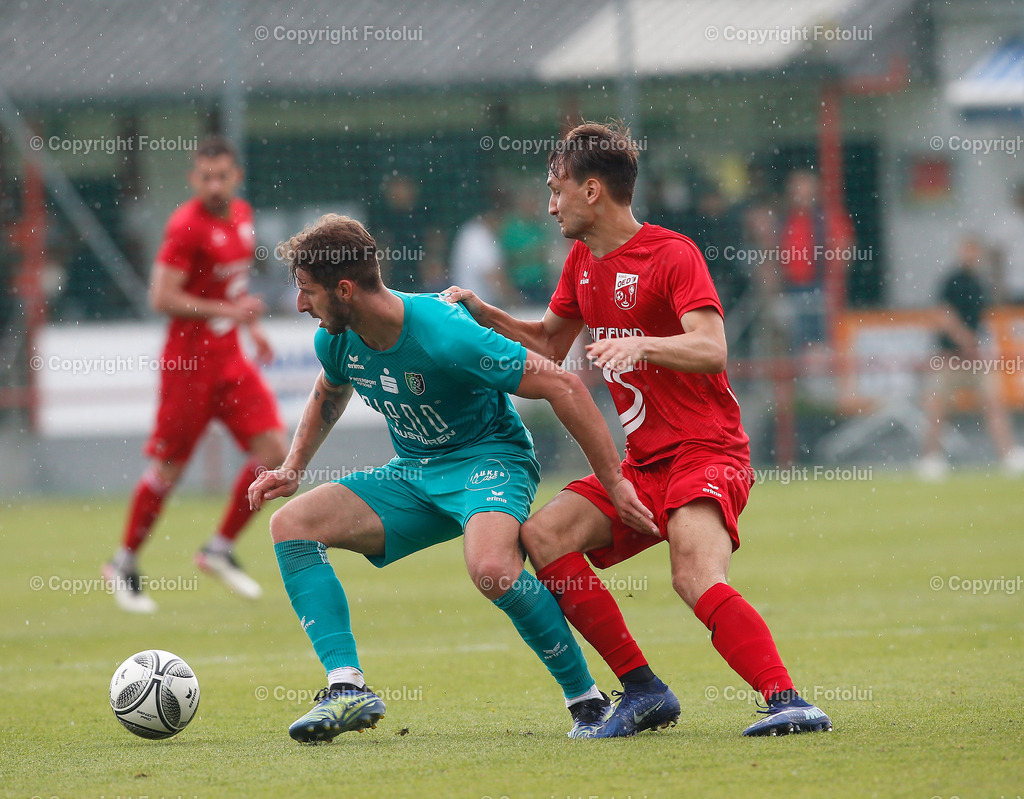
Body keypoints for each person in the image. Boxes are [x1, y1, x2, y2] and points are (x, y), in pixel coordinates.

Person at [445, 121, 832, 738]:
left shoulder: (672, 254)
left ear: (592, 190)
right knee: (544, 536)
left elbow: (712, 348)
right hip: (644, 463)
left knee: (693, 575)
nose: (551, 206)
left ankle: (788, 701)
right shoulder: (582, 261)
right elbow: (549, 342)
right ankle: (644, 690)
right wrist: (484, 314)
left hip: (706, 451)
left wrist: (642, 344)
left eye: (557, 190)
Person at [247, 213, 656, 743]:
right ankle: (346, 687)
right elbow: (331, 389)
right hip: (415, 473)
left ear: (344, 289)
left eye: (307, 290)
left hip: (491, 461)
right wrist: (293, 467)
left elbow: (565, 386)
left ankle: (587, 701)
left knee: (492, 569)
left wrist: (615, 481)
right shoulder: (338, 338)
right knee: (291, 525)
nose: (300, 304)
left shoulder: (444, 332)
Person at [103, 137, 288, 613]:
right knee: (170, 468)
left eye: (222, 176)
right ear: (193, 179)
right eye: (205, 177)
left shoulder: (242, 216)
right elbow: (161, 297)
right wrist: (229, 311)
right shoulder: (186, 226)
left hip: (230, 360)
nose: (214, 185)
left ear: (236, 176)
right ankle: (123, 562)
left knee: (275, 452)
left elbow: (233, 289)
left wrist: (252, 328)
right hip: (188, 366)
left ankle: (218, 549)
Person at [919, 235, 1024, 479]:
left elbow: (983, 319)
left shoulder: (980, 282)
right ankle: (931, 458)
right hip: (950, 358)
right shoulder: (951, 280)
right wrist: (964, 339)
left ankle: (1007, 454)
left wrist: (976, 345)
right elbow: (943, 315)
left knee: (994, 405)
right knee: (937, 408)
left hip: (976, 358)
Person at [776, 169, 854, 352]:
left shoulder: (828, 218)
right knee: (796, 340)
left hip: (820, 286)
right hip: (792, 289)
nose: (799, 193)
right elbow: (774, 252)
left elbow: (843, 249)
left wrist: (833, 283)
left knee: (822, 338)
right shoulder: (784, 219)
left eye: (804, 188)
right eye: (796, 188)